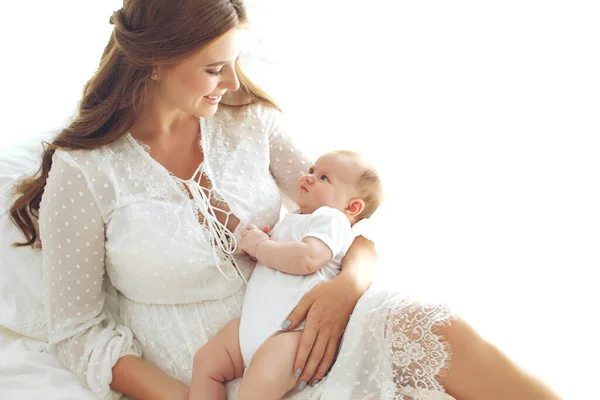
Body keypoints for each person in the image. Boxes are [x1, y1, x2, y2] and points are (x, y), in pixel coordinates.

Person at [7, 1, 560, 399]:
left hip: (316, 311)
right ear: (157, 60)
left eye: (232, 62)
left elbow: (350, 215)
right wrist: (181, 397)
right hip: (221, 367)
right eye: (212, 68)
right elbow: (77, 332)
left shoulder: (250, 124)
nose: (229, 82)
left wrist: (347, 287)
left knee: (439, 328)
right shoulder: (86, 173)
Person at [190, 150, 384, 400]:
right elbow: (285, 259)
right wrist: (261, 252)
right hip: (255, 323)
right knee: (206, 362)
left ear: (352, 206)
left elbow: (308, 258)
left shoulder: (332, 220)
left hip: (293, 333)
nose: (309, 177)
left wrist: (262, 247)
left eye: (324, 178)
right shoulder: (297, 218)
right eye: (312, 170)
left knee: (257, 388)